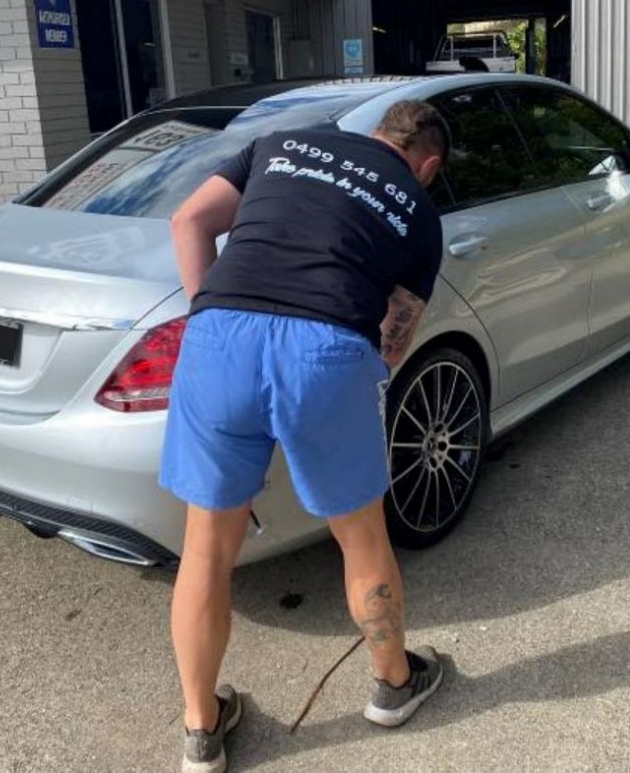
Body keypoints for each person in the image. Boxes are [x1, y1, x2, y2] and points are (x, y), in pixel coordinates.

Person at [162, 99, 451, 773]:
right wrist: (337, 382)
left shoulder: (279, 144)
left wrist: (213, 320)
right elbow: (393, 337)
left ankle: (201, 729)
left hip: (219, 336)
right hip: (326, 346)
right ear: (427, 162)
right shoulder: (417, 206)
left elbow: (189, 221)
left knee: (204, 547)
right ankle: (392, 684)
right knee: (361, 535)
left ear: (375, 133)